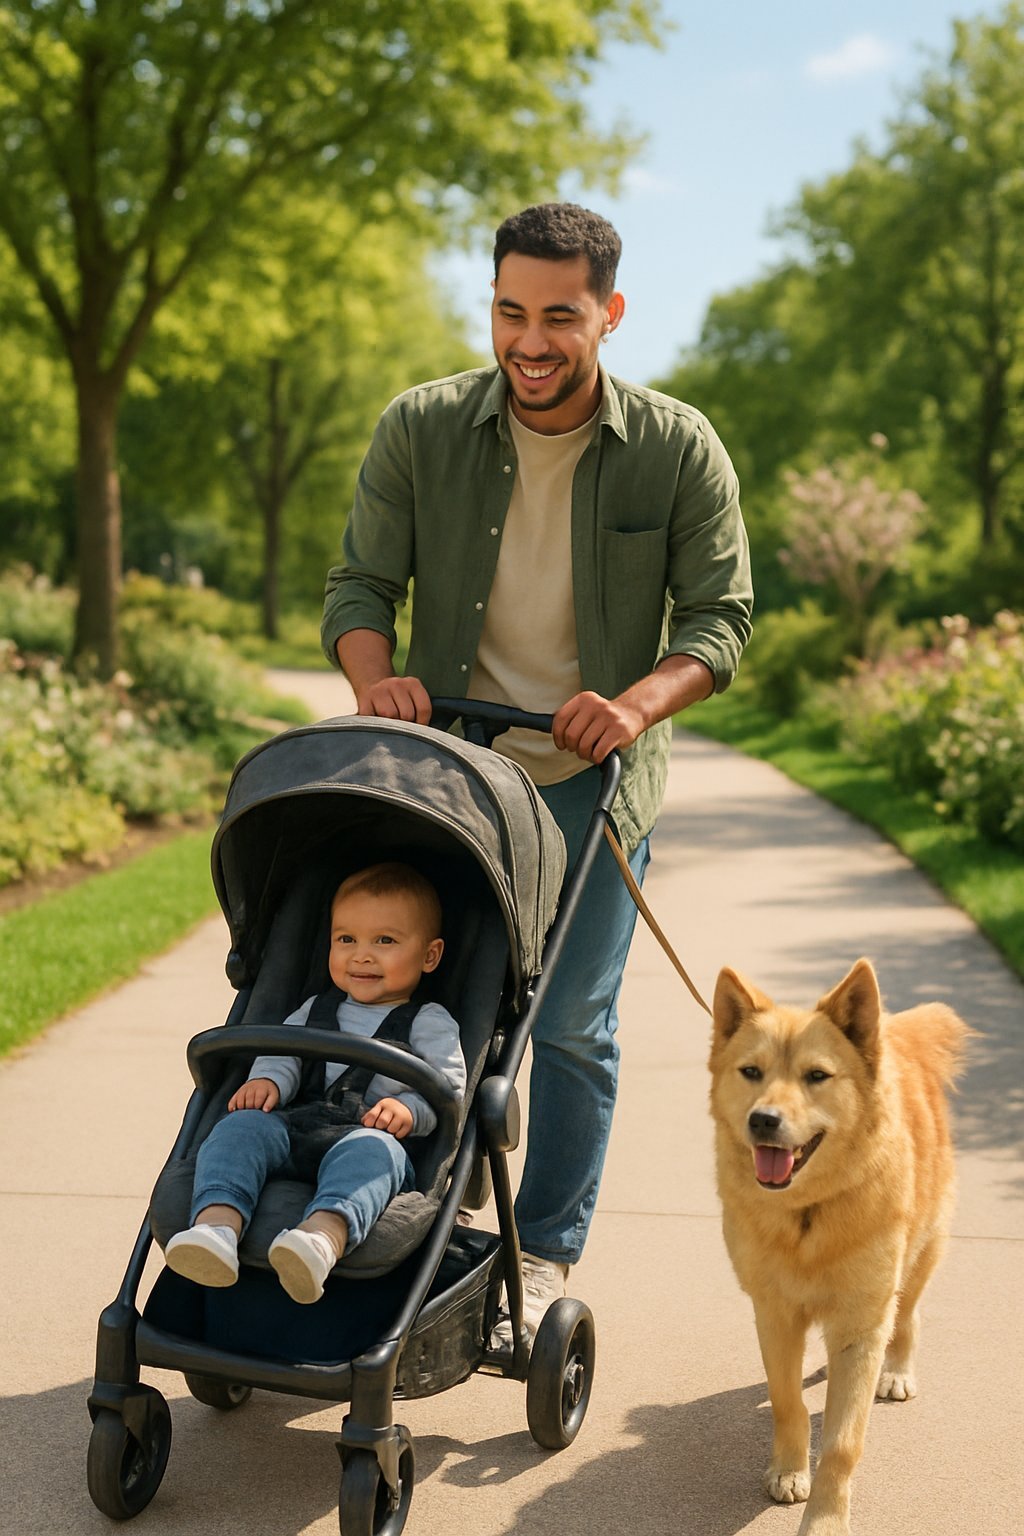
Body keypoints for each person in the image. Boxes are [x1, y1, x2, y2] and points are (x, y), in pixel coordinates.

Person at [321, 202, 753, 1341]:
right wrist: (375, 681)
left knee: (566, 1027)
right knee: (431, 1000)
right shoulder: (420, 428)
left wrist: (631, 704)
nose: (531, 341)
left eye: (559, 316)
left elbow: (718, 621)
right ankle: (412, 1204)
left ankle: (546, 1253)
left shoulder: (675, 447)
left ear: (608, 314)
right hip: (450, 772)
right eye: (511, 312)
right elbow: (360, 586)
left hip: (592, 784)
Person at [164, 863, 466, 1305]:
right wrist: (268, 1081)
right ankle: (216, 1228)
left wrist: (409, 1109)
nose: (361, 955)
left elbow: (449, 1090)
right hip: (293, 1124)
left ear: (429, 956)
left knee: (371, 1155)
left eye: (385, 941)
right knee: (239, 1127)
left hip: (369, 1135)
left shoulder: (430, 1022)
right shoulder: (315, 1007)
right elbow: (282, 1051)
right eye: (346, 939)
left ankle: (320, 1239)